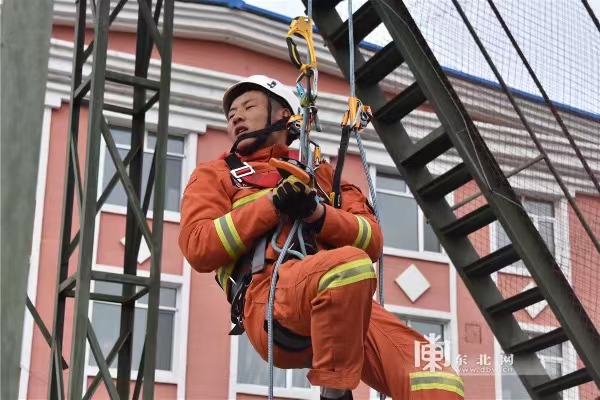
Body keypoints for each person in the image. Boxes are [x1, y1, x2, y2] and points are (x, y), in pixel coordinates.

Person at [179, 75, 464, 399]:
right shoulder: (216, 175)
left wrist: (318, 215)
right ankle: (335, 390)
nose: (236, 117)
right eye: (231, 115)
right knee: (348, 267)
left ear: (282, 115)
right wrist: (272, 204)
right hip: (269, 296)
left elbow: (371, 240)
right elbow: (198, 246)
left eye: (248, 106)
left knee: (436, 378)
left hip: (342, 303)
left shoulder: (322, 176)